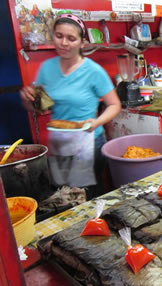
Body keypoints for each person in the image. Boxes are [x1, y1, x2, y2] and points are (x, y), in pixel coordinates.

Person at [20, 13, 121, 198]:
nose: (64, 43)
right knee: (64, 195)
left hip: (88, 142)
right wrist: (28, 99)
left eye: (71, 38)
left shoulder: (93, 71)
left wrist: (96, 122)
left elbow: (114, 105)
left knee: (88, 195)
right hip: (60, 141)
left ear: (82, 43)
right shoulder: (47, 68)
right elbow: (39, 107)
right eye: (59, 36)